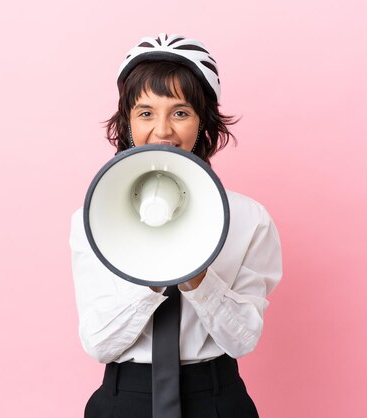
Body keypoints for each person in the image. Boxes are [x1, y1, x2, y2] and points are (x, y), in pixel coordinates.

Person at [70, 33, 283, 418]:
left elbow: (243, 340)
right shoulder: (92, 219)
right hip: (124, 399)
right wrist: (153, 273)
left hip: (216, 397)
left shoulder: (250, 219)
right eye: (146, 113)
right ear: (128, 122)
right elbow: (99, 345)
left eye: (180, 112)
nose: (163, 130)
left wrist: (197, 276)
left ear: (204, 123)